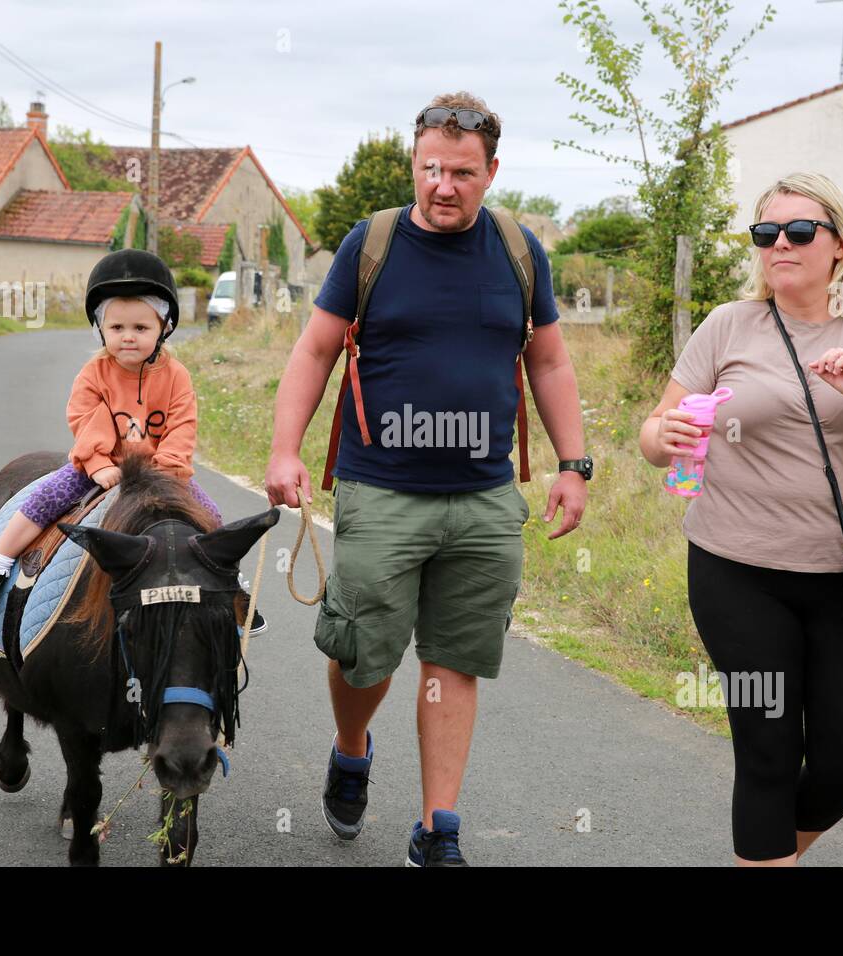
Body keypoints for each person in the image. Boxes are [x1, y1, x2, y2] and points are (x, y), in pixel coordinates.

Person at [263, 91, 590, 866]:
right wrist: (285, 450)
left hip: (483, 496)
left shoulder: (518, 250)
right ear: (416, 163)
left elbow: (547, 359)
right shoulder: (371, 243)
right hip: (382, 488)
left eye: (462, 173)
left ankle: (437, 828)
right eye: (431, 169)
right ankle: (351, 749)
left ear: (491, 172)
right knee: (360, 651)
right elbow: (315, 352)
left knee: (455, 659)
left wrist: (574, 466)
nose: (443, 186)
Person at [640, 172, 843, 866]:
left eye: (798, 231)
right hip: (736, 571)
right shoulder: (729, 323)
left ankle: (766, 856)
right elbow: (657, 428)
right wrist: (659, 438)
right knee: (768, 753)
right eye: (765, 233)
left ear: (839, 245)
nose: (779, 244)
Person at [0, 249, 263, 633]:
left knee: (210, 515)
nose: (129, 337)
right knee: (46, 498)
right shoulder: (94, 373)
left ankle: (229, 585)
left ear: (163, 328)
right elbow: (86, 419)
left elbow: (182, 428)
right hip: (97, 469)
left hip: (159, 473)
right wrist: (100, 464)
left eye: (140, 328)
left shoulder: (177, 376)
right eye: (117, 328)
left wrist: (164, 473)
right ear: (102, 329)